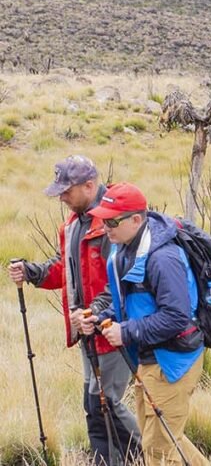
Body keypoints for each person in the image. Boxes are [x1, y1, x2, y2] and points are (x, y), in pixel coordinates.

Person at [7, 155, 141, 465]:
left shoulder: (111, 222)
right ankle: (105, 460)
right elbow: (65, 270)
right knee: (94, 403)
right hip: (86, 330)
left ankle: (145, 456)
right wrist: (33, 272)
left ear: (89, 186)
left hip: (112, 329)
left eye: (67, 191)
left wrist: (95, 312)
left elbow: (122, 279)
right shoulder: (73, 224)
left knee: (106, 401)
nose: (62, 198)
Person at [81, 182, 209, 466]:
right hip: (148, 358)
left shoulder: (163, 258)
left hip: (173, 360)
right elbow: (129, 303)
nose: (106, 227)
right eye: (103, 219)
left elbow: (176, 317)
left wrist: (126, 331)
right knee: (163, 435)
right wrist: (102, 316)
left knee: (158, 451)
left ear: (136, 219)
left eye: (113, 221)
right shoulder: (125, 250)